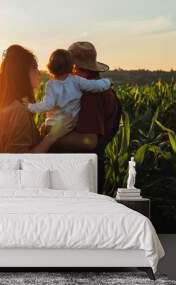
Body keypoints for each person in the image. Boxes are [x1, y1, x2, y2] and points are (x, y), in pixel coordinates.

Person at [50, 42, 122, 194]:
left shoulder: (90, 94)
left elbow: (90, 141)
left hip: (82, 174)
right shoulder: (104, 89)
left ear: (74, 68)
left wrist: (50, 138)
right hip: (91, 169)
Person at [0, 44, 73, 153]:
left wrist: (39, 135)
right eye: (34, 67)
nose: (39, 72)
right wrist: (52, 136)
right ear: (21, 73)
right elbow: (20, 161)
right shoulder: (19, 110)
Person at [24, 49, 111, 128]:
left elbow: (47, 105)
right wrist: (108, 82)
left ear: (50, 67)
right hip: (71, 126)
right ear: (71, 66)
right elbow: (95, 85)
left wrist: (29, 107)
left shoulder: (50, 84)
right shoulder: (76, 81)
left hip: (52, 126)